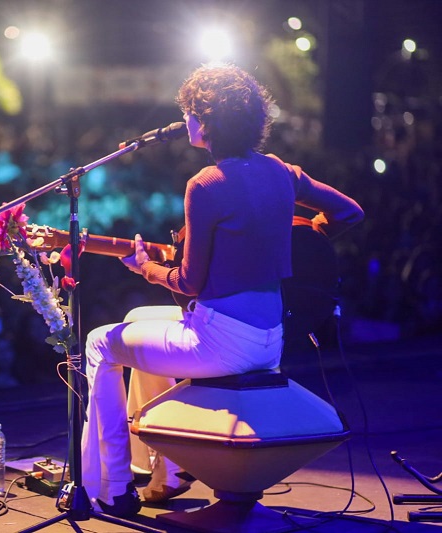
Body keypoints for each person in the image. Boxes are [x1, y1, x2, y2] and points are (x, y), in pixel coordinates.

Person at [81, 64, 365, 518]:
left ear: (207, 122)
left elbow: (190, 283)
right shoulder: (280, 171)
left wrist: (146, 268)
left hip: (220, 342)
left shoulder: (206, 185)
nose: (186, 121)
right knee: (138, 321)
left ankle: (111, 487)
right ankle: (167, 470)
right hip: (269, 339)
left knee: (99, 343)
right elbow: (349, 212)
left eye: (190, 112)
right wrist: (304, 234)